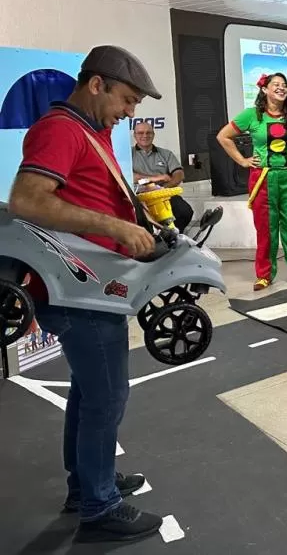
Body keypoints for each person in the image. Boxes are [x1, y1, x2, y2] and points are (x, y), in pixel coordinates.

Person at [8, 45, 164, 543]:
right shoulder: (60, 130)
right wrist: (115, 227)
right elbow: (26, 200)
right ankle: (100, 507)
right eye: (127, 100)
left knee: (89, 390)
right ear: (96, 84)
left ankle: (87, 484)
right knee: (106, 397)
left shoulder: (90, 130)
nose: (130, 113)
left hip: (94, 283)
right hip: (79, 289)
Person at [216, 73, 287, 291]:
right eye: (276, 84)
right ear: (264, 90)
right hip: (263, 178)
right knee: (265, 229)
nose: (281, 88)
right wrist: (242, 160)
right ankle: (264, 275)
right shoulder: (252, 115)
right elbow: (223, 136)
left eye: (284, 85)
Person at [131, 121, 193, 232]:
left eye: (148, 132)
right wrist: (157, 178)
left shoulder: (166, 154)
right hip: (140, 196)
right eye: (140, 133)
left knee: (185, 211)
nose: (145, 135)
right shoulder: (128, 154)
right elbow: (132, 177)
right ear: (134, 135)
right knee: (139, 220)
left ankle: (172, 238)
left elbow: (179, 174)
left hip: (164, 194)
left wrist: (162, 189)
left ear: (153, 135)